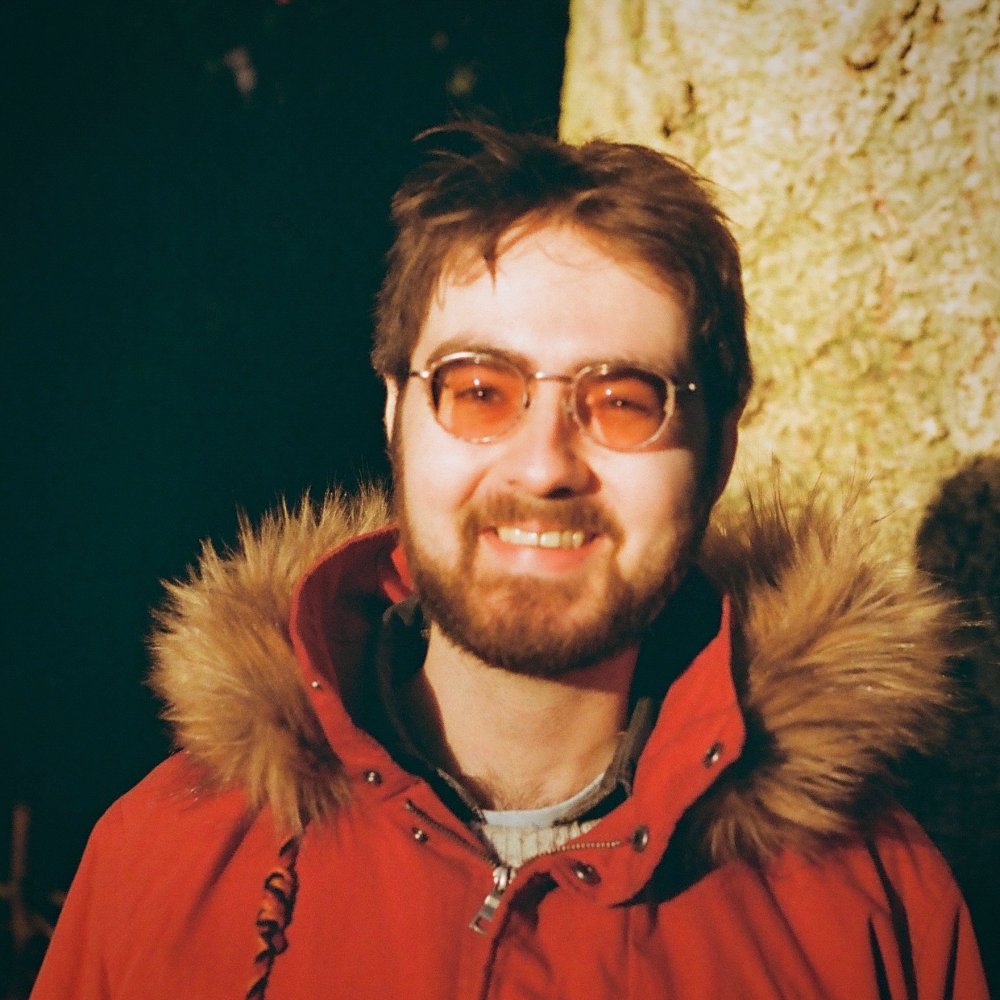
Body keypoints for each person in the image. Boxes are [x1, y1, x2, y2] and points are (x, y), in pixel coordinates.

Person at [31, 124, 988, 999]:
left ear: (719, 447)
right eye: (480, 390)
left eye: (623, 400)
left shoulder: (869, 913)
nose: (544, 465)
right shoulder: (163, 861)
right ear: (396, 416)